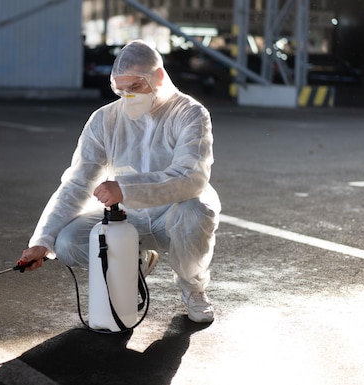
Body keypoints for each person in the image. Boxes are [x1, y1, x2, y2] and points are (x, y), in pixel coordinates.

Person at [18, 39, 221, 323]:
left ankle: (193, 288)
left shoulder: (189, 113)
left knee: (196, 210)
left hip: (172, 213)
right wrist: (42, 240)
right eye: (121, 90)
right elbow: (78, 183)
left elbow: (191, 177)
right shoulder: (105, 120)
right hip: (127, 217)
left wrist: (125, 188)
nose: (128, 97)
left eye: (135, 87)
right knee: (67, 242)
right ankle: (133, 264)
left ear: (158, 77)